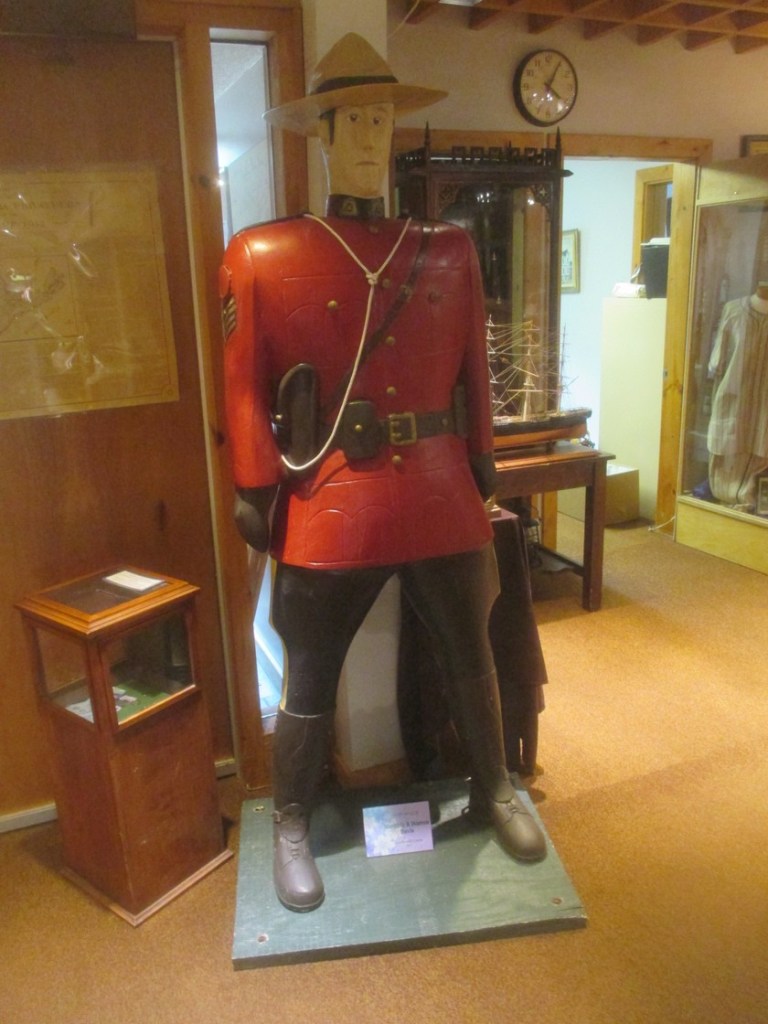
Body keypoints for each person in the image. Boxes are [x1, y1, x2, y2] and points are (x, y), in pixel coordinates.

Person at [219, 33, 546, 913]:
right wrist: (255, 490)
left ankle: (494, 787)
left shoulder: (448, 250)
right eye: (351, 120)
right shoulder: (261, 256)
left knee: (471, 647)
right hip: (335, 492)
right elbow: (243, 386)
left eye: (379, 119)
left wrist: (482, 461)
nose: (369, 135)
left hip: (438, 485)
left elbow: (473, 368)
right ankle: (292, 818)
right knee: (310, 670)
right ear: (321, 133)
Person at [707, 283, 768, 507]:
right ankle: (727, 496)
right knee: (726, 445)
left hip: (764, 403)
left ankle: (748, 500)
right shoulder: (733, 310)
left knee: (761, 447)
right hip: (734, 396)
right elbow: (717, 362)